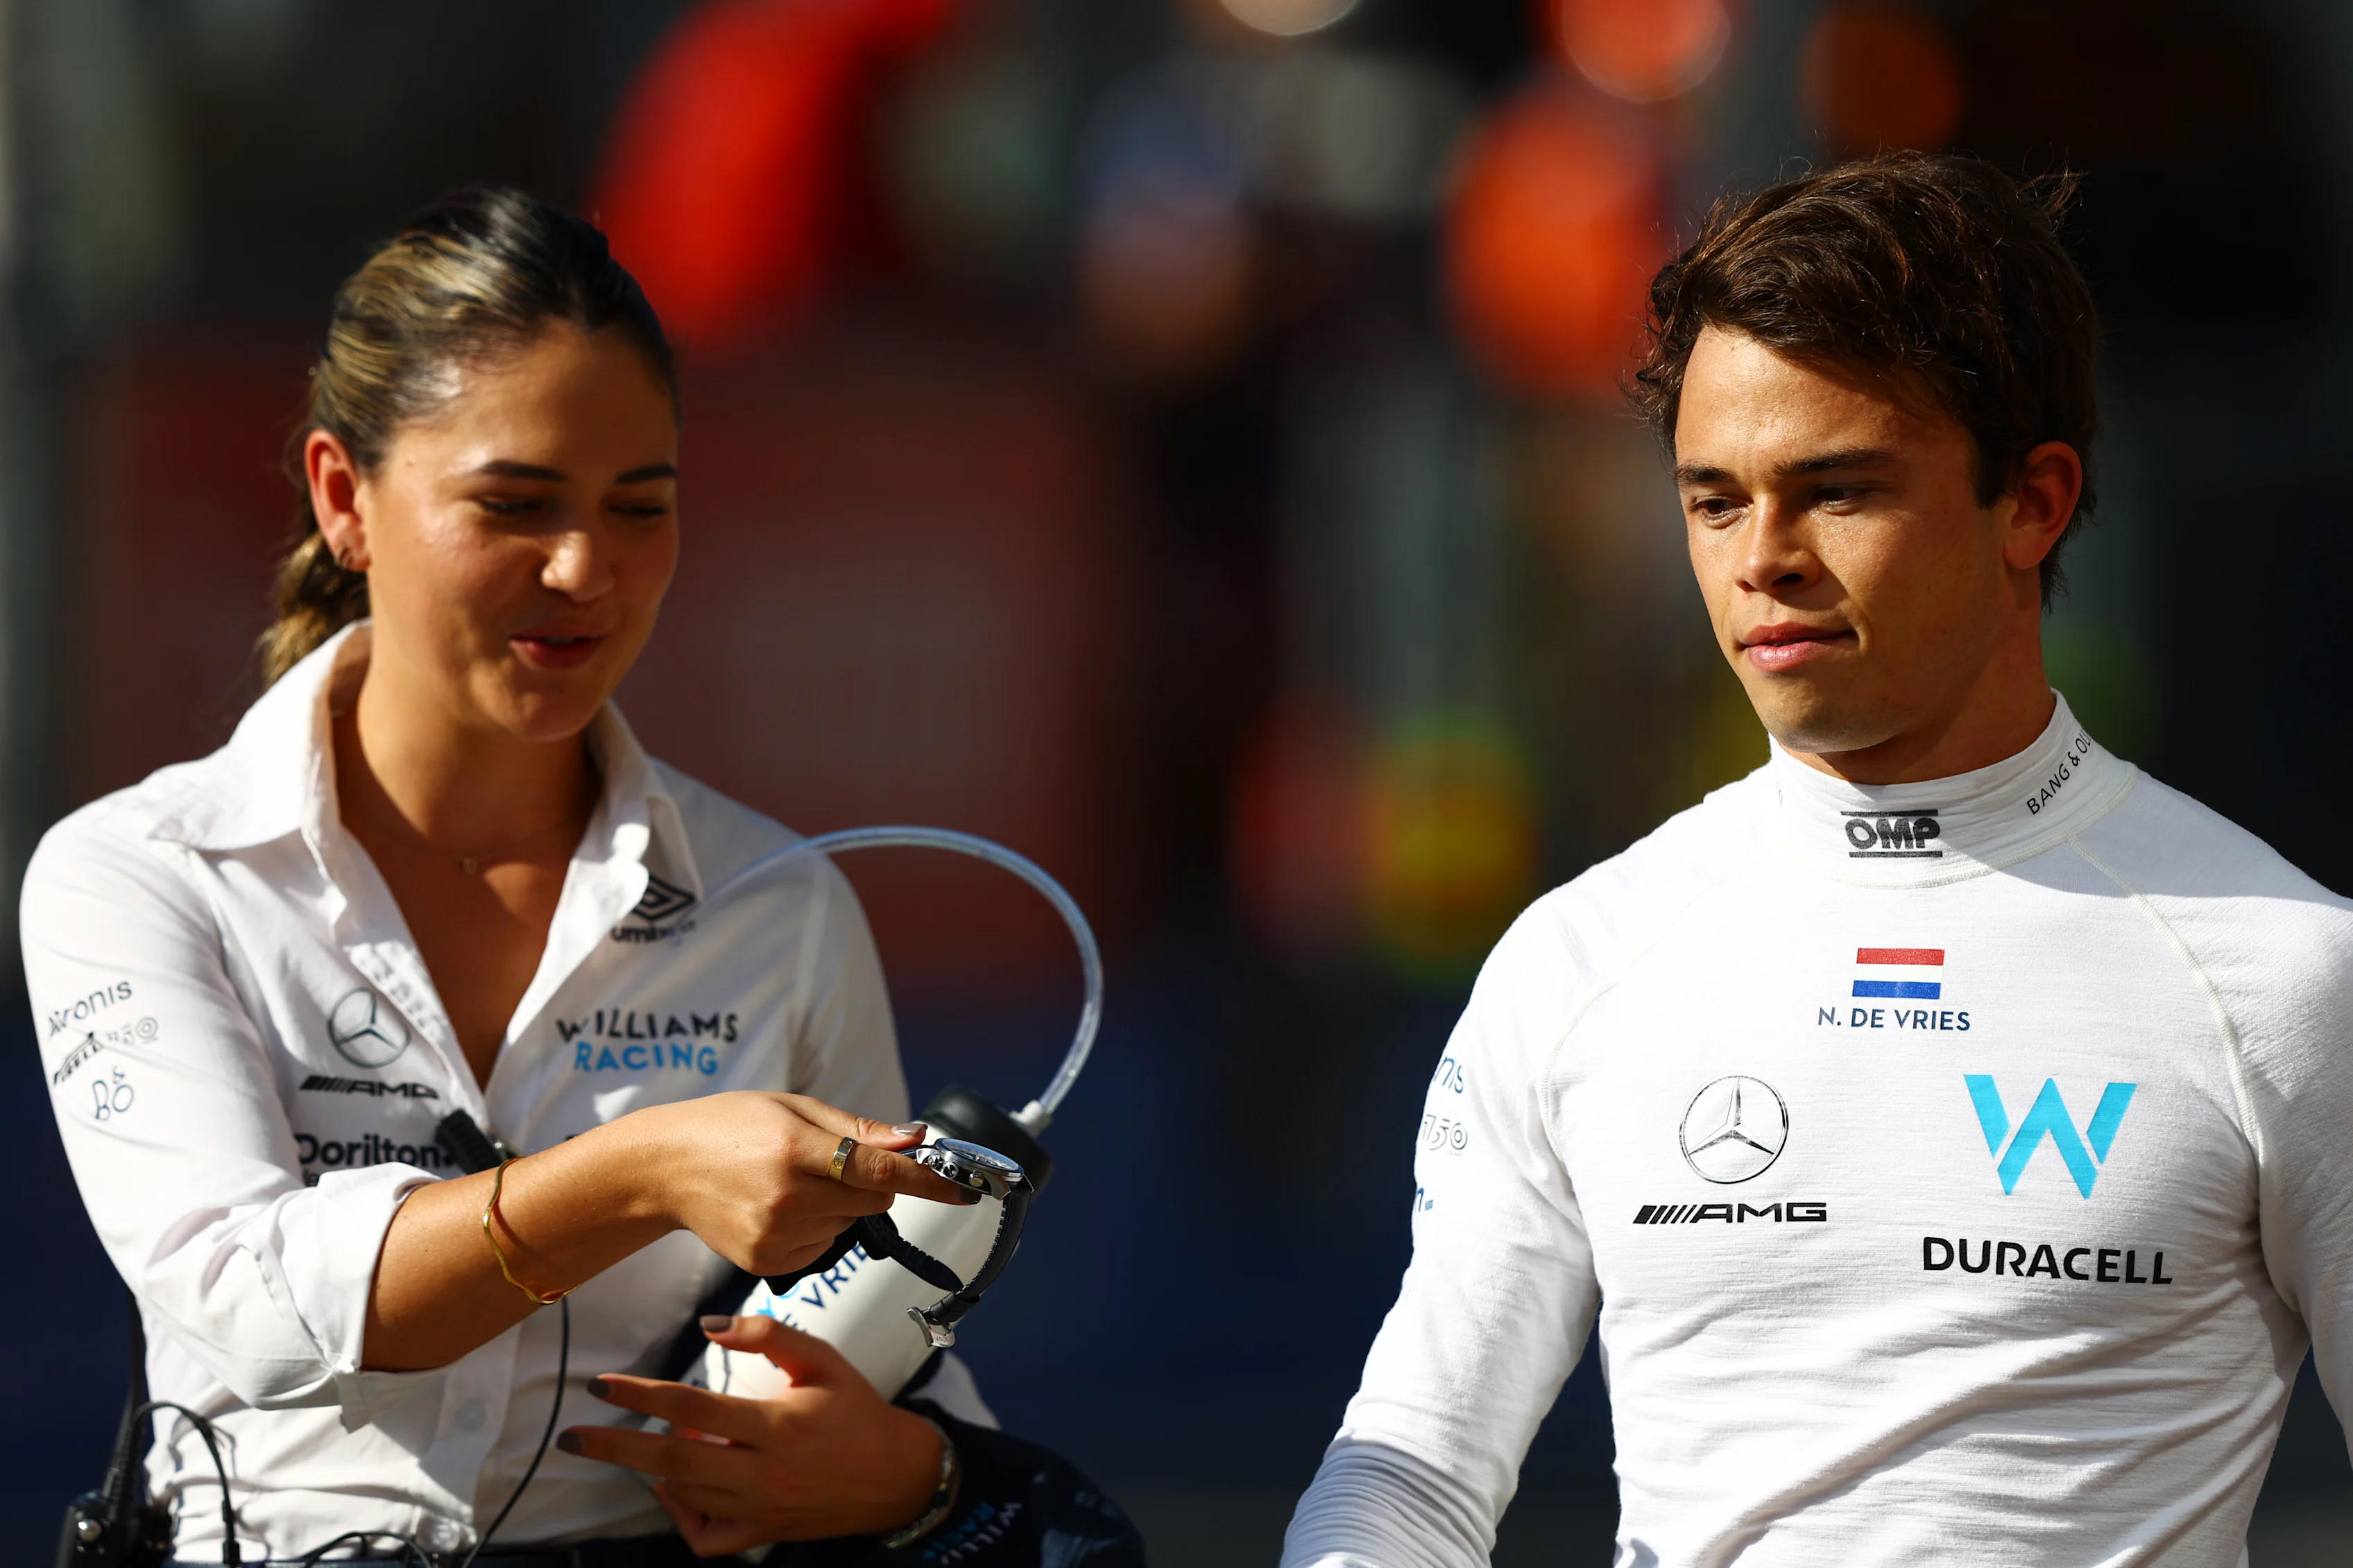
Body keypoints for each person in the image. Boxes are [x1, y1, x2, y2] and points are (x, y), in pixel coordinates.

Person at [1281, 153, 2353, 1566]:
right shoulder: (1580, 958)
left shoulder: (2283, 971)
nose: (1763, 559)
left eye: (1836, 491)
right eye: (1715, 500)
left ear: (2033, 502)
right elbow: (1410, 1473)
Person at [27, 187, 1016, 1565]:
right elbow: (246, 1298)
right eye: (515, 505)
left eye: (639, 506)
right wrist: (642, 1169)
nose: (585, 568)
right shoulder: (144, 874)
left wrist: (912, 1475)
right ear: (343, 497)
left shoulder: (778, 906)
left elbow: (891, 1360)